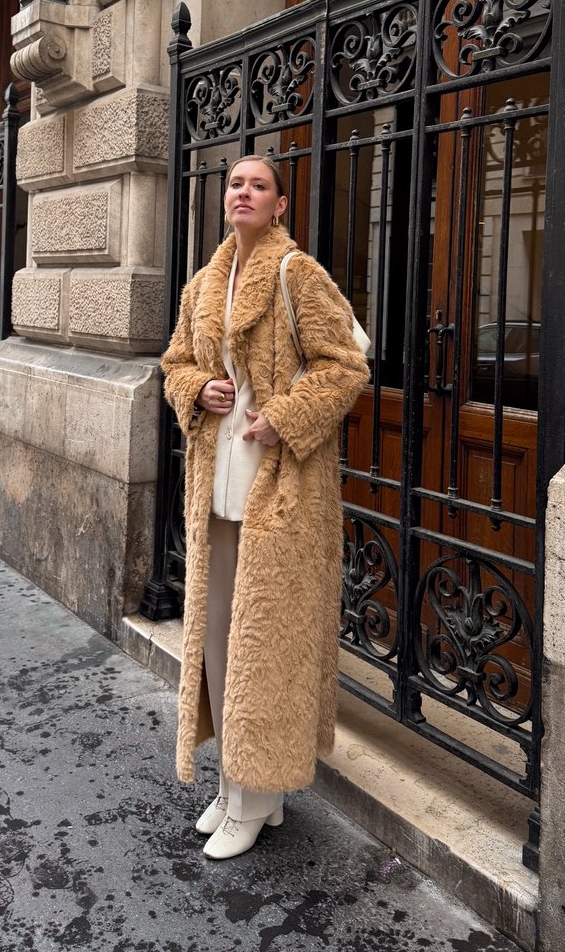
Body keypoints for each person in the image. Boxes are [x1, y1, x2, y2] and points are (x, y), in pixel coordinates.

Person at [161, 154, 369, 860]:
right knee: (221, 642)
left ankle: (252, 799)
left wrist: (283, 415)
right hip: (214, 488)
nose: (243, 192)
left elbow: (344, 365)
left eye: (258, 185)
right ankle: (243, 787)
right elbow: (172, 363)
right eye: (235, 184)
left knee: (264, 648)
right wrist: (196, 389)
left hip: (279, 490)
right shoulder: (203, 284)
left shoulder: (296, 273)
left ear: (281, 205)